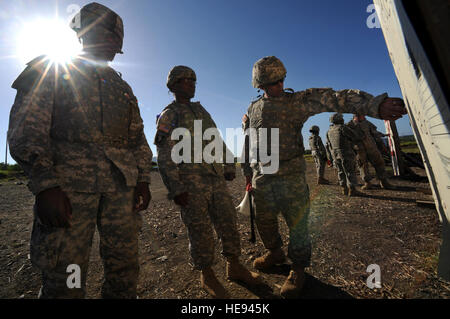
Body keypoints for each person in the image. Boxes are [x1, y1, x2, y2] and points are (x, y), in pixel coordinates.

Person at [7, 3, 153, 298]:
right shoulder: (50, 69)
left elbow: (137, 137)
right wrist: (46, 186)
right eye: (106, 34)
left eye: (116, 38)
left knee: (124, 267)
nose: (113, 42)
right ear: (84, 34)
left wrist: (143, 179)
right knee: (68, 275)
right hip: (70, 191)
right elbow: (27, 130)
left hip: (119, 192)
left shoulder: (121, 87)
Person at [241, 56, 406, 298]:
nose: (278, 85)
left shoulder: (296, 101)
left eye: (281, 80)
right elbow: (249, 140)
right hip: (261, 177)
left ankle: (298, 269)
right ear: (260, 84)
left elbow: (336, 97)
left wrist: (374, 105)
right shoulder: (252, 108)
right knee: (264, 221)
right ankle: (275, 253)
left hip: (290, 176)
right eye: (272, 82)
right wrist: (248, 172)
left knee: (297, 225)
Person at [154, 65, 261, 299]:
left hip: (214, 178)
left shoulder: (200, 111)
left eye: (193, 80)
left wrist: (229, 164)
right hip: (190, 182)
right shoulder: (169, 114)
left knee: (228, 222)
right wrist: (176, 188)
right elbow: (164, 154)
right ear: (173, 85)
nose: (191, 83)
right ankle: (208, 276)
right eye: (185, 80)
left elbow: (217, 138)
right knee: (200, 231)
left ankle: (234, 266)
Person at [347, 113, 392, 190]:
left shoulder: (367, 123)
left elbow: (374, 132)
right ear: (356, 116)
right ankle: (367, 183)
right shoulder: (349, 125)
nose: (364, 117)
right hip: (359, 149)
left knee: (379, 163)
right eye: (363, 115)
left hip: (371, 147)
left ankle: (384, 182)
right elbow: (347, 138)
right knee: (362, 166)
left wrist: (383, 135)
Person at [326, 113, 363, 196]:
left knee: (340, 171)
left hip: (334, 154)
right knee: (350, 171)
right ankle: (352, 190)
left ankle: (344, 189)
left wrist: (330, 158)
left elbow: (328, 145)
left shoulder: (329, 131)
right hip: (345, 153)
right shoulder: (342, 127)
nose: (343, 119)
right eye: (341, 118)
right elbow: (355, 136)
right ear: (339, 119)